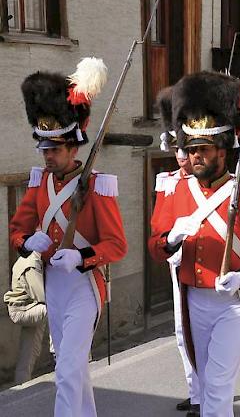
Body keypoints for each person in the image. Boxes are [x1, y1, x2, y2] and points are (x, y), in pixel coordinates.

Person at [149, 69, 240, 417]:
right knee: (207, 381)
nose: (195, 156)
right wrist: (170, 240)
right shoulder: (174, 190)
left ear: (222, 150)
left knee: (220, 386)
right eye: (191, 149)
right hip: (193, 298)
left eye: (203, 149)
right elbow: (154, 245)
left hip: (233, 301)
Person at [10, 58, 128, 417]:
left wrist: (82, 256)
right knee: (72, 366)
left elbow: (117, 245)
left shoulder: (95, 186)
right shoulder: (38, 182)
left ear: (74, 148)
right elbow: (18, 228)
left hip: (84, 287)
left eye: (55, 149)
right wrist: (28, 242)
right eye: (44, 150)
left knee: (66, 371)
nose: (48, 156)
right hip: (52, 285)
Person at [148, 86, 200, 416]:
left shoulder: (214, 183)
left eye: (187, 148)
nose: (182, 155)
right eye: (177, 148)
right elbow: (157, 227)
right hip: (177, 262)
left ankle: (212, 389)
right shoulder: (167, 181)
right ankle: (196, 390)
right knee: (182, 330)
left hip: (207, 262)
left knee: (204, 331)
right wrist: (169, 241)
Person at [4, 253, 49, 384]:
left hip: (30, 306)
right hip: (24, 310)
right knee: (58, 311)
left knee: (29, 352)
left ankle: (21, 386)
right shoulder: (31, 264)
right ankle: (60, 355)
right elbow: (43, 296)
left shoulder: (30, 257)